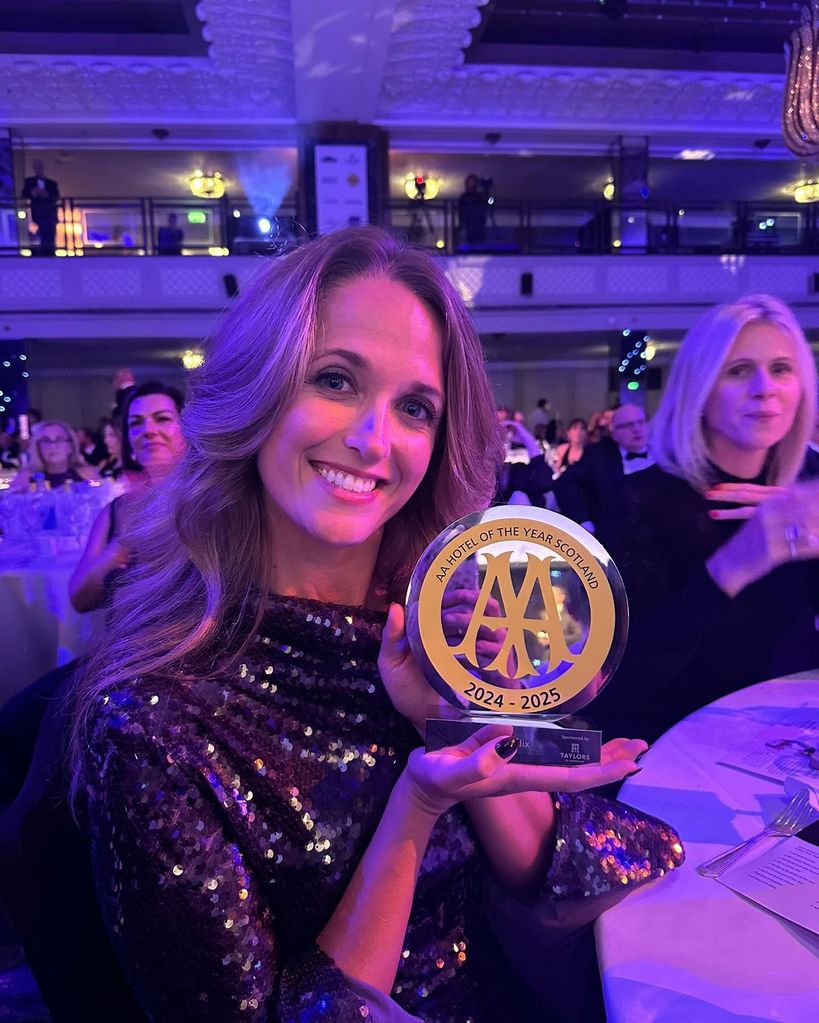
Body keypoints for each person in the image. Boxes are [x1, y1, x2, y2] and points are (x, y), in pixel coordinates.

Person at [65, 227, 680, 1022]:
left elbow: (582, 878)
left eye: (415, 406)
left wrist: (453, 722)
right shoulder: (155, 722)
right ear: (258, 391)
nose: (372, 439)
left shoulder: (438, 631)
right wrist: (416, 805)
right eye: (334, 379)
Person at [592, 294, 819, 744]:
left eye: (781, 369)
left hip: (790, 731)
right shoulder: (643, 500)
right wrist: (736, 564)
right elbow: (623, 685)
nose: (764, 388)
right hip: (677, 745)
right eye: (738, 371)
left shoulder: (810, 480)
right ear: (699, 390)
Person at [69, 381, 185, 614]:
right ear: (130, 442)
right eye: (136, 423)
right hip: (125, 645)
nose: (148, 430)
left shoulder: (213, 501)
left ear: (187, 429)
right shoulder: (115, 511)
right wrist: (114, 554)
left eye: (162, 418)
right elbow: (78, 600)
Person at [552, 403, 651, 548]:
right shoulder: (598, 455)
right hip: (613, 540)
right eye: (628, 425)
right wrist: (584, 522)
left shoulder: (665, 455)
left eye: (641, 422)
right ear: (614, 434)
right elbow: (565, 483)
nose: (637, 429)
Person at [10, 420, 97, 492]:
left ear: (70, 446)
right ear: (38, 447)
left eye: (59, 440)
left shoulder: (87, 475)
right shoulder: (24, 479)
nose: (53, 446)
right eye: (46, 441)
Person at [21, 159, 60, 256]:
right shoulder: (29, 181)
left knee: (49, 231)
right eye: (36, 166)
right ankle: (45, 251)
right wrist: (33, 193)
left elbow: (56, 196)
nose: (38, 168)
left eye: (39, 166)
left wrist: (46, 194)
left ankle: (48, 252)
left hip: (50, 212)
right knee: (43, 231)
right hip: (38, 212)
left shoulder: (52, 183)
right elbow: (24, 194)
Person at [458, 174, 488, 246]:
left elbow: (485, 204)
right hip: (468, 223)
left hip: (479, 223)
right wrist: (462, 225)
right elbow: (461, 212)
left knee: (479, 242)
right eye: (470, 182)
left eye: (473, 182)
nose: (472, 184)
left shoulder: (479, 196)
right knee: (469, 242)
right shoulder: (464, 197)